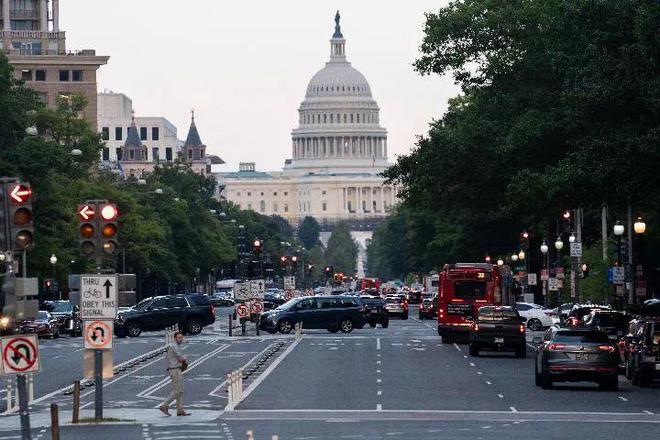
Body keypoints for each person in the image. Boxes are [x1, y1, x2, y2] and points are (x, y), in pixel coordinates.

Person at [159, 331, 190, 416]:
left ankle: (180, 410)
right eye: (179, 338)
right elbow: (181, 359)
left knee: (179, 390)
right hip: (175, 369)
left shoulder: (174, 346)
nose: (181, 339)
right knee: (178, 390)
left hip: (175, 369)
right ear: (175, 338)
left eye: (181, 337)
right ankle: (165, 405)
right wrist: (185, 358)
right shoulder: (174, 346)